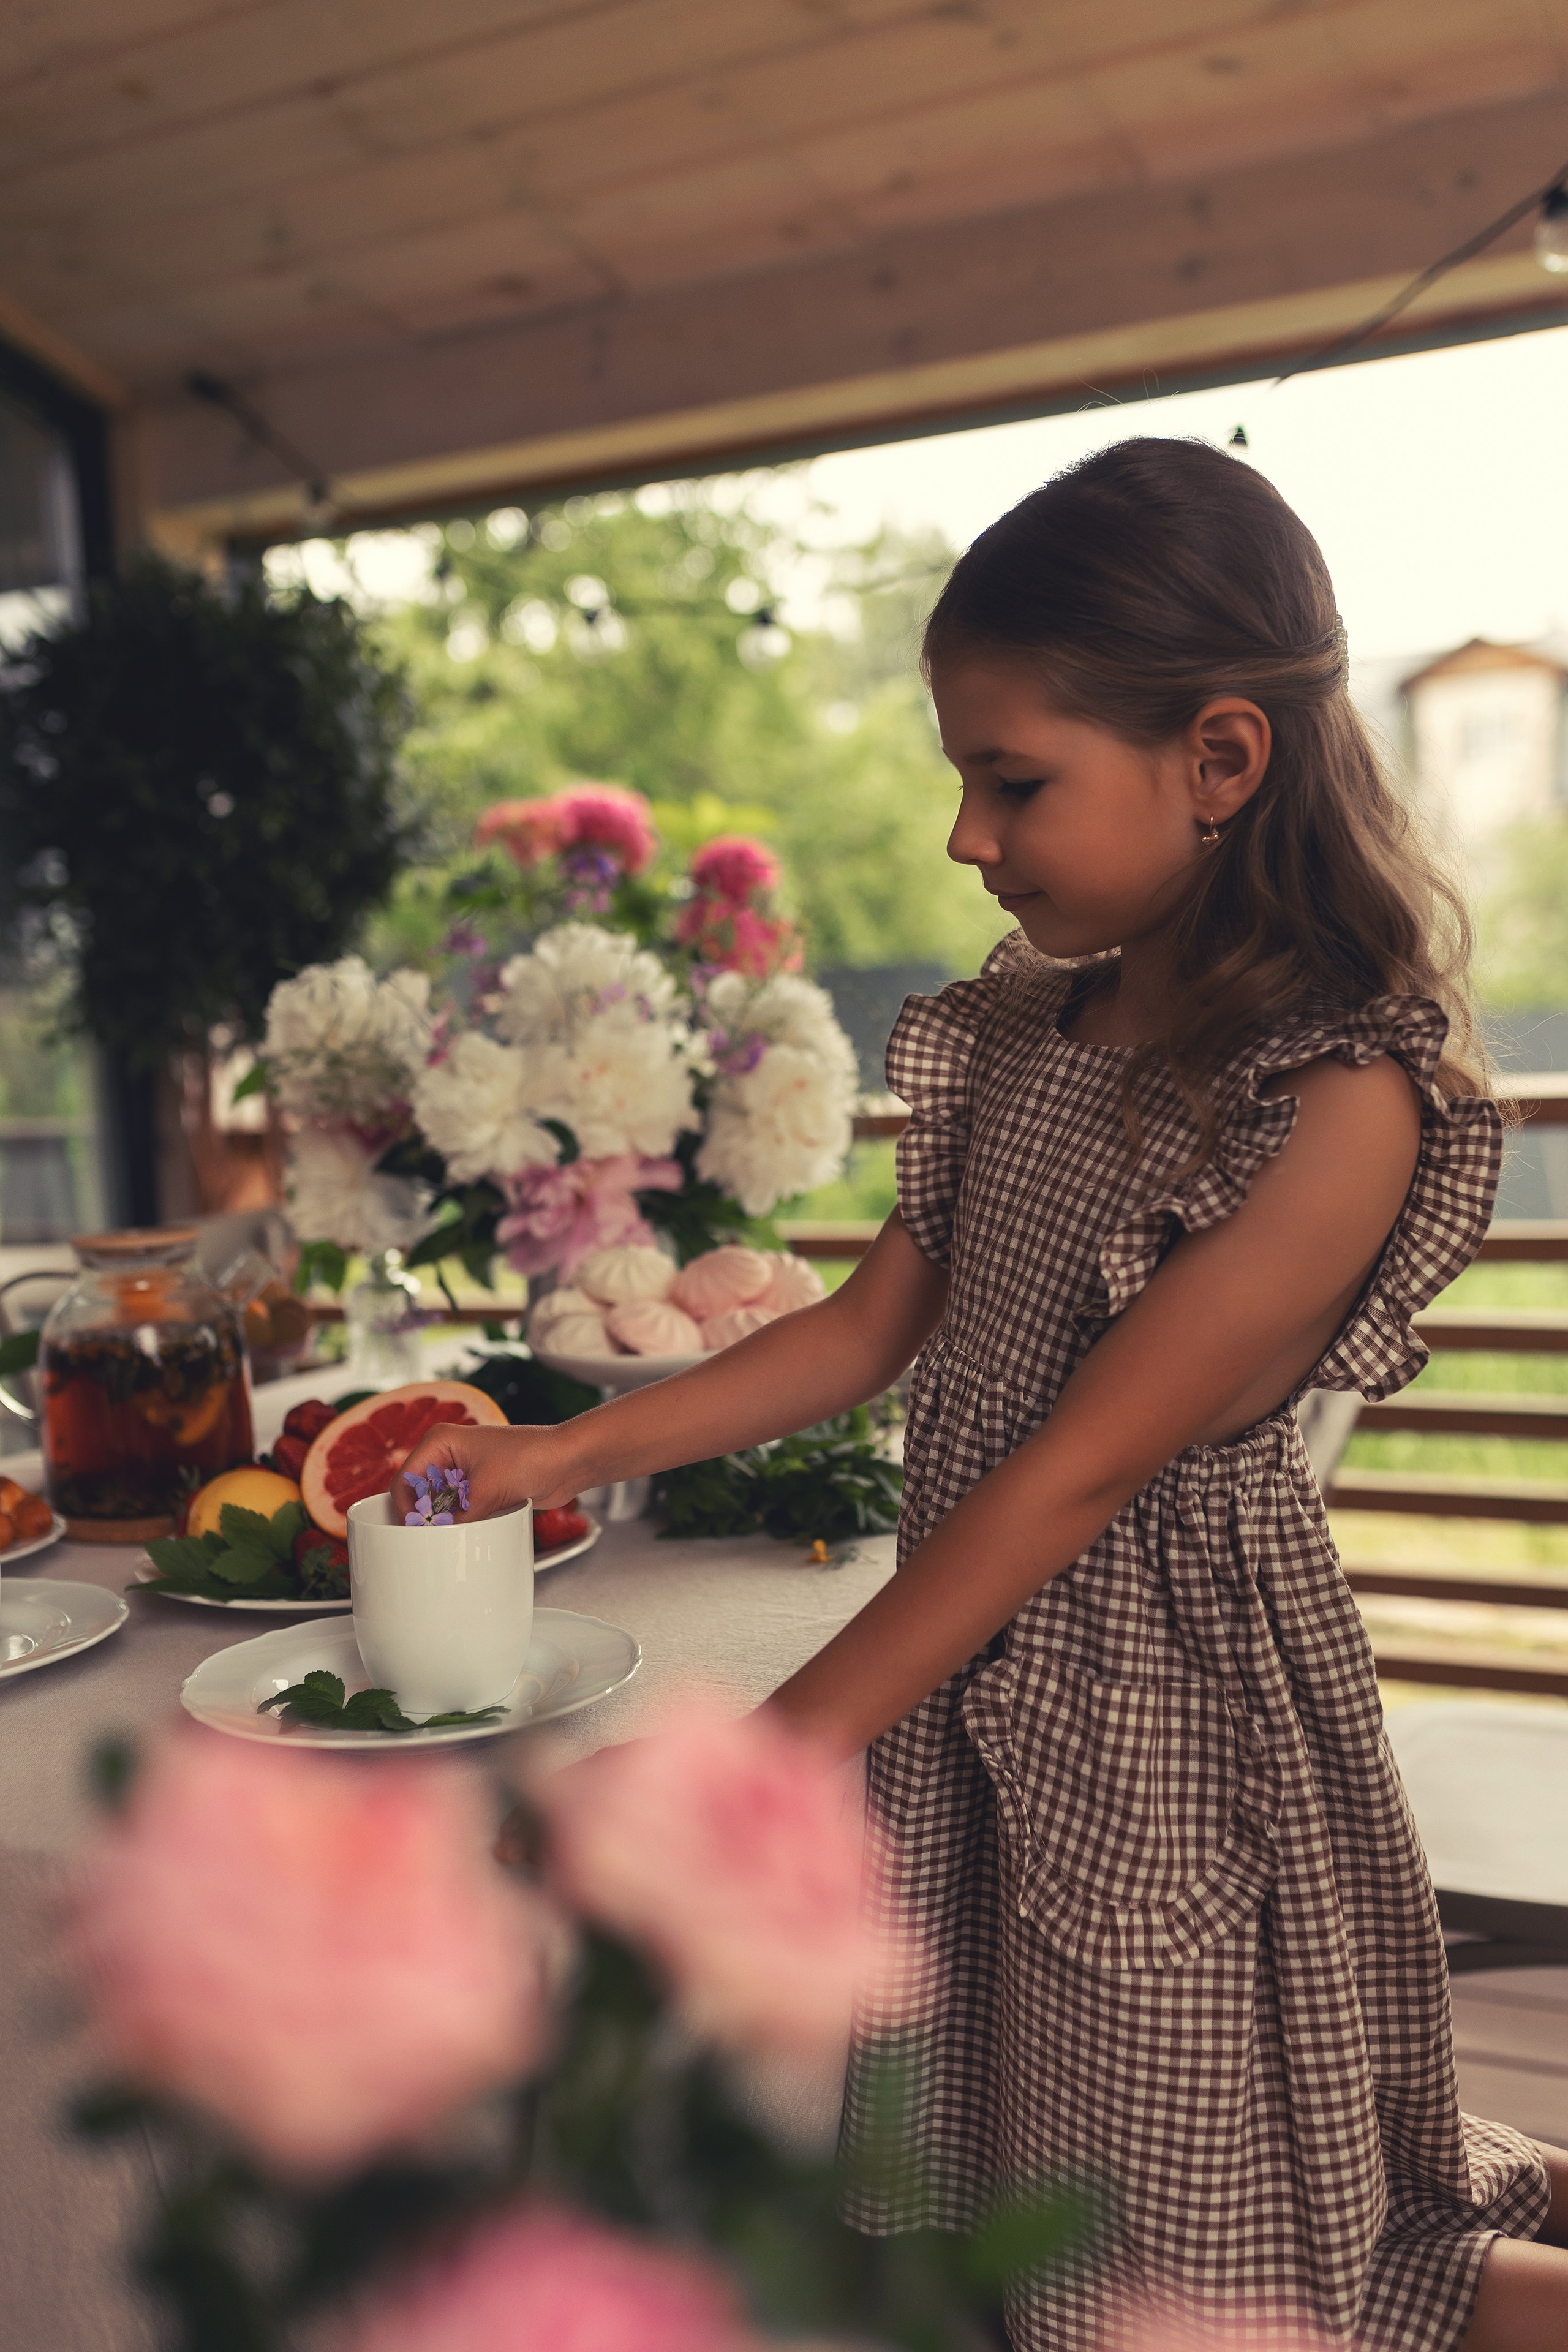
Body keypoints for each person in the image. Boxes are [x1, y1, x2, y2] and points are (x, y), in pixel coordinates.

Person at [401, 439, 1567, 2351]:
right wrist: (567, 1443)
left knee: (1230, 2268)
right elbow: (872, 1327)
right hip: (986, 1693)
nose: (965, 835)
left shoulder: (1333, 1099)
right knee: (1065, 2194)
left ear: (1220, 761)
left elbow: (1070, 1483)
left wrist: (737, 1773)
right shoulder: (1036, 1022)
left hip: (1162, 1734)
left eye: (1011, 780)